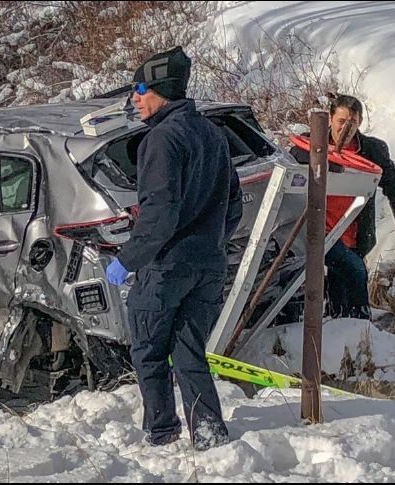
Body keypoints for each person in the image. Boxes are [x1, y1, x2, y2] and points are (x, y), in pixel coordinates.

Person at [104, 47, 242, 450]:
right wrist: (210, 240)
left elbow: (159, 216)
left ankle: (161, 432)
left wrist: (127, 260)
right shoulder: (213, 134)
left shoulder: (161, 140)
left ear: (161, 91)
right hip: (209, 265)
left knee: (148, 349)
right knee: (188, 350)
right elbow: (232, 204)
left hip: (166, 267)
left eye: (140, 88)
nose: (135, 97)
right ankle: (208, 430)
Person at [290, 94, 395, 319]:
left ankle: (345, 333)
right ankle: (357, 328)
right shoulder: (308, 147)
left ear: (360, 122)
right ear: (330, 119)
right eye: (342, 121)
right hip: (316, 231)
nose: (346, 128)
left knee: (341, 286)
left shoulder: (371, 150)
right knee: (354, 271)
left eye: (352, 122)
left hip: (353, 233)